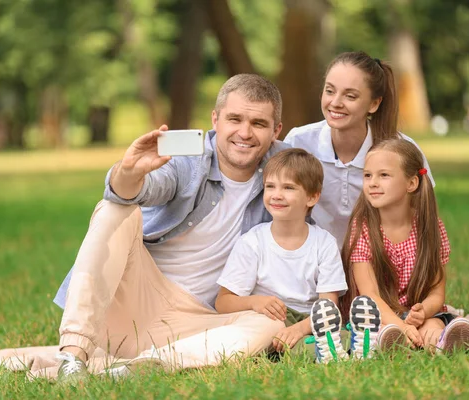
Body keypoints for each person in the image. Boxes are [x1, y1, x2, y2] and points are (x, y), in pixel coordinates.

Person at [32, 73, 290, 383]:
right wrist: (129, 172)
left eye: (259, 124)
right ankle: (73, 357)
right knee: (115, 209)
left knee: (270, 324)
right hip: (136, 298)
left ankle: (137, 368)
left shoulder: (284, 173)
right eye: (234, 119)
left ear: (276, 131)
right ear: (215, 120)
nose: (244, 133)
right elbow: (138, 189)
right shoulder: (186, 160)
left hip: (200, 320)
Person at [338, 139, 469, 358]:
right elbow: (370, 294)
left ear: (411, 183)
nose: (373, 182)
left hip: (413, 312)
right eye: (367, 175)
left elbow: (436, 291)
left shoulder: (429, 228)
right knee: (385, 332)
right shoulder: (362, 228)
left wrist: (424, 312)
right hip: (378, 315)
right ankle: (397, 342)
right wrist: (400, 325)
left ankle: (440, 342)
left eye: (384, 175)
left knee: (433, 326)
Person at [284, 51, 434, 249]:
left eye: (350, 96)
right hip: (313, 263)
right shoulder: (298, 142)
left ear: (374, 103)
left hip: (376, 262)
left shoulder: (402, 151)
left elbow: (424, 220)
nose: (335, 102)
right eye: (330, 91)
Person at [214, 148, 348, 363]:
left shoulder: (324, 243)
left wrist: (300, 329)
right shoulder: (253, 242)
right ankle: (309, 353)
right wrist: (254, 302)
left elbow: (328, 307)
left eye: (288, 187)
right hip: (265, 320)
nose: (276, 194)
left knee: (339, 335)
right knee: (257, 333)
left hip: (309, 322)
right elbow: (223, 302)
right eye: (270, 186)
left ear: (312, 197)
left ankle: (322, 349)